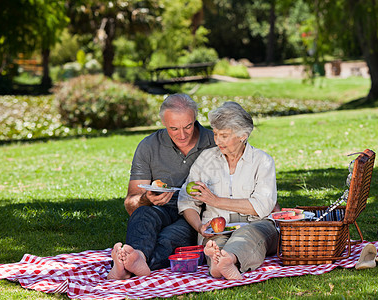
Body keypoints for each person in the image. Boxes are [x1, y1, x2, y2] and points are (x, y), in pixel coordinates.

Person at [107, 93, 216, 280]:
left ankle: (127, 266)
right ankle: (137, 258)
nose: (182, 135)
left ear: (195, 118)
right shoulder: (148, 146)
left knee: (169, 237)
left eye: (188, 126)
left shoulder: (214, 141)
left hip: (196, 212)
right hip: (161, 207)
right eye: (174, 128)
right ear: (164, 123)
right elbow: (130, 204)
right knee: (142, 214)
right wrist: (145, 199)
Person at [178, 101, 279, 280]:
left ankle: (227, 260)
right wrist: (200, 227)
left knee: (246, 235)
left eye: (224, 135)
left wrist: (215, 201)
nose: (217, 141)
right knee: (215, 244)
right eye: (215, 134)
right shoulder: (206, 159)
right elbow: (187, 200)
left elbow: (262, 206)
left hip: (256, 224)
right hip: (218, 229)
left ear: (243, 136)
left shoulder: (262, 161)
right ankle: (220, 262)